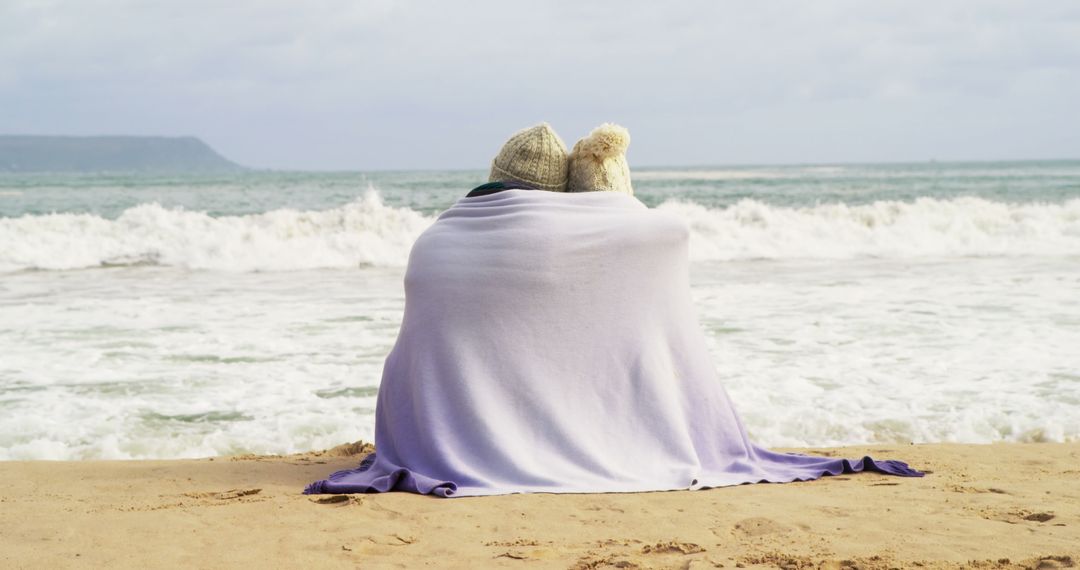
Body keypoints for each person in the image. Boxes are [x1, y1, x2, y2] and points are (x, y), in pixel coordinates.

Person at [305, 123, 922, 498]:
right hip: (626, 443)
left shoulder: (435, 241)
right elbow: (652, 231)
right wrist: (609, 204)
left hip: (440, 442)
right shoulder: (651, 239)